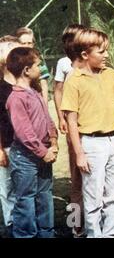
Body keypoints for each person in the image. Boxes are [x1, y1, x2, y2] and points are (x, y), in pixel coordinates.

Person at [61, 28, 114, 238]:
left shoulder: (110, 74)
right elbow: (71, 122)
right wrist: (80, 153)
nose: (107, 55)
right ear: (85, 54)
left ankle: (112, 235)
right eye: (101, 52)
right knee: (92, 199)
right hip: (92, 145)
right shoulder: (73, 81)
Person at [6, 47, 58, 238]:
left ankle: (47, 234)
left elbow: (47, 118)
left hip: (43, 154)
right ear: (27, 70)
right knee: (26, 201)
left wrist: (53, 140)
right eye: (38, 64)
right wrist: (43, 152)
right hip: (26, 158)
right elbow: (24, 133)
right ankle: (25, 235)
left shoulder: (35, 93)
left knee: (45, 197)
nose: (41, 68)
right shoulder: (16, 98)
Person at [53, 23, 86, 237]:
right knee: (76, 177)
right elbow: (57, 91)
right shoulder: (64, 64)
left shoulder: (91, 61)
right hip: (73, 123)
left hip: (93, 124)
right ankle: (76, 224)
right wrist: (60, 116)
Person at [0, 36, 21, 237]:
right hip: (6, 145)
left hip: (26, 146)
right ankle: (11, 225)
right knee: (7, 189)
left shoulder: (26, 84)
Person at [15, 27, 51, 105]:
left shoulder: (38, 59)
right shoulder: (13, 60)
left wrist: (45, 105)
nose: (26, 46)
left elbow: (43, 84)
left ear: (33, 44)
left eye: (29, 43)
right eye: (23, 43)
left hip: (35, 98)